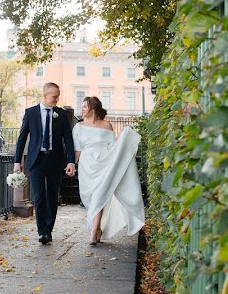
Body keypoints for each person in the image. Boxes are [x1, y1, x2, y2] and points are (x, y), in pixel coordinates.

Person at [72, 96, 144, 246]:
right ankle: (98, 229)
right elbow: (78, 149)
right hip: (87, 165)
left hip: (105, 163)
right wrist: (72, 164)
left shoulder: (107, 125)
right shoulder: (78, 127)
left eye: (85, 106)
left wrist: (123, 137)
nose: (82, 109)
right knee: (92, 197)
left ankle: (94, 231)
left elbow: (112, 147)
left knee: (101, 193)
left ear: (92, 108)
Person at [13, 82, 76, 244]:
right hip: (36, 161)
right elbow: (21, 139)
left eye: (58, 96)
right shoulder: (31, 113)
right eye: (54, 96)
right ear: (45, 95)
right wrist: (17, 161)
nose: (57, 99)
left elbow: (68, 139)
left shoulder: (61, 114)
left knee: (52, 196)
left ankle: (49, 229)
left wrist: (71, 161)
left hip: (55, 161)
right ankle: (42, 232)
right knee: (39, 197)